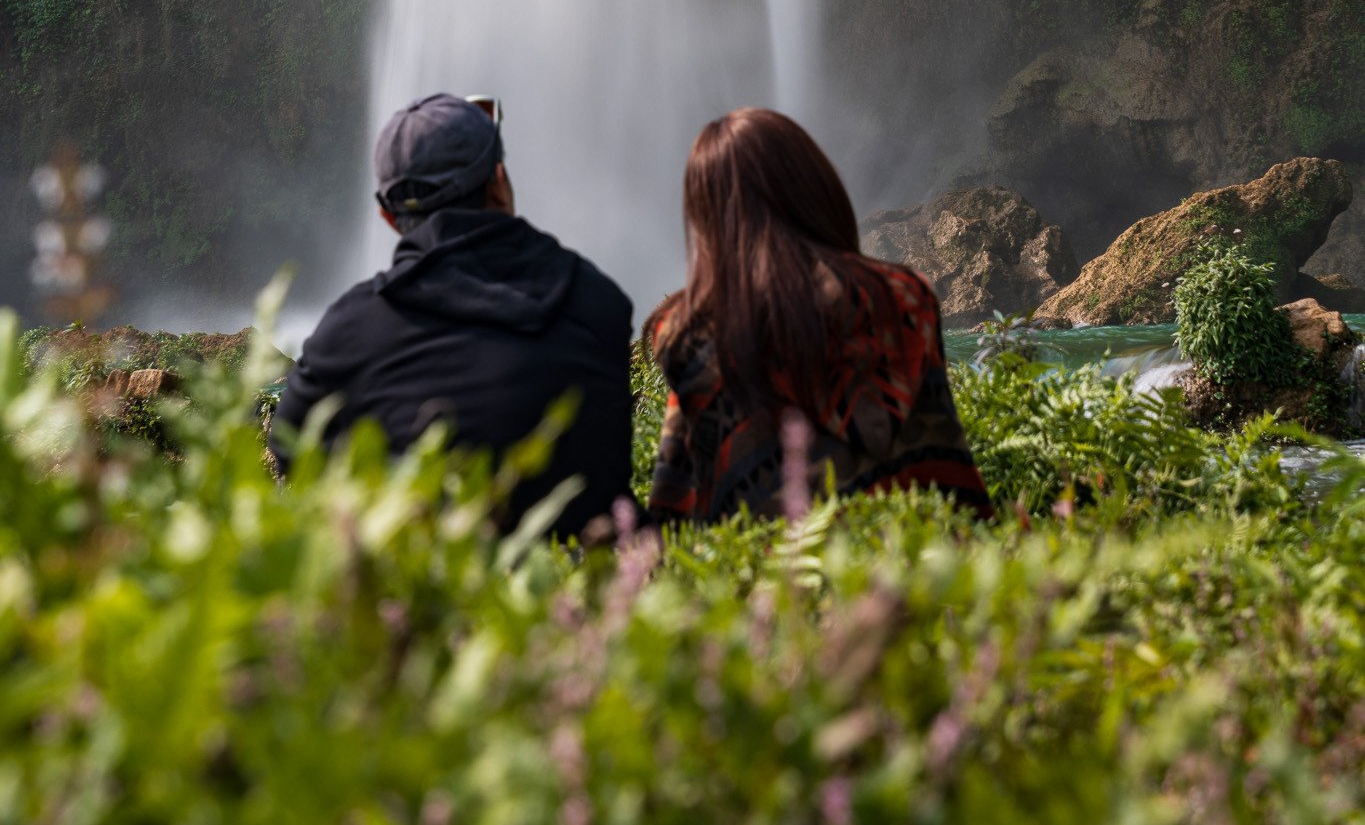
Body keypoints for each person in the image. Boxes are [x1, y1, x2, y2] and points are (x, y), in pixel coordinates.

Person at [270, 94, 634, 539]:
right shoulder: (599, 302)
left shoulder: (349, 333)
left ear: (388, 217)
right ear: (498, 182)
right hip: (583, 593)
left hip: (425, 593)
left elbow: (292, 451)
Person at [645, 107, 991, 524]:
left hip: (774, 582)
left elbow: (672, 512)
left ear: (709, 220)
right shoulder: (902, 298)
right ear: (816, 188)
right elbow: (947, 464)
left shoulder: (692, 334)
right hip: (908, 573)